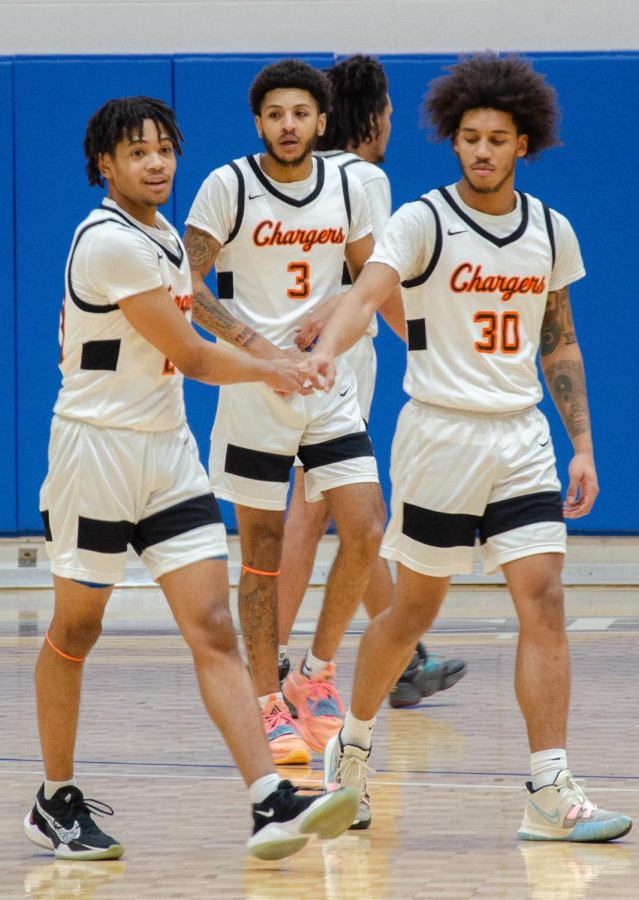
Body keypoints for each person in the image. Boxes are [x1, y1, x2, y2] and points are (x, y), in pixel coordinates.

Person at [25, 95, 358, 862]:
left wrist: (264, 347)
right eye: (137, 152)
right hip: (97, 452)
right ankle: (54, 797)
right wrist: (276, 366)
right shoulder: (109, 241)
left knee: (212, 626)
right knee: (77, 630)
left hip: (166, 452)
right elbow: (196, 354)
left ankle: (268, 800)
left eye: (166, 150)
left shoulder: (165, 234)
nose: (156, 163)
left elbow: (202, 317)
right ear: (104, 165)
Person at [310, 54, 633, 841]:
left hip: (520, 437)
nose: (482, 150)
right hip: (440, 434)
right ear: (452, 142)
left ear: (523, 143)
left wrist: (581, 444)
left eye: (497, 138)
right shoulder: (423, 220)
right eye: (469, 138)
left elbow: (559, 342)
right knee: (414, 608)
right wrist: (326, 350)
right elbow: (366, 294)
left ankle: (549, 788)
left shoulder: (550, 230)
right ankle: (351, 750)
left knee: (545, 600)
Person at [183, 59, 400, 766]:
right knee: (265, 552)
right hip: (255, 391)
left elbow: (373, 276)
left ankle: (315, 674)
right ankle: (264, 699)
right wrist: (253, 346)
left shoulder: (350, 185)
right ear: (259, 122)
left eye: (300, 114)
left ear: (320, 120)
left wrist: (338, 312)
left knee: (365, 524)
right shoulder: (229, 185)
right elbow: (182, 279)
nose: (287, 125)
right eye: (275, 114)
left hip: (326, 382)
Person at [275, 53, 467, 712]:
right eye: (389, 113)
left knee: (350, 519)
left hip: (306, 360)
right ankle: (270, 670)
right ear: (377, 118)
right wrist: (435, 348)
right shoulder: (365, 178)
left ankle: (404, 658)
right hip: (331, 366)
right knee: (316, 516)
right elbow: (378, 288)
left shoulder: (305, 175)